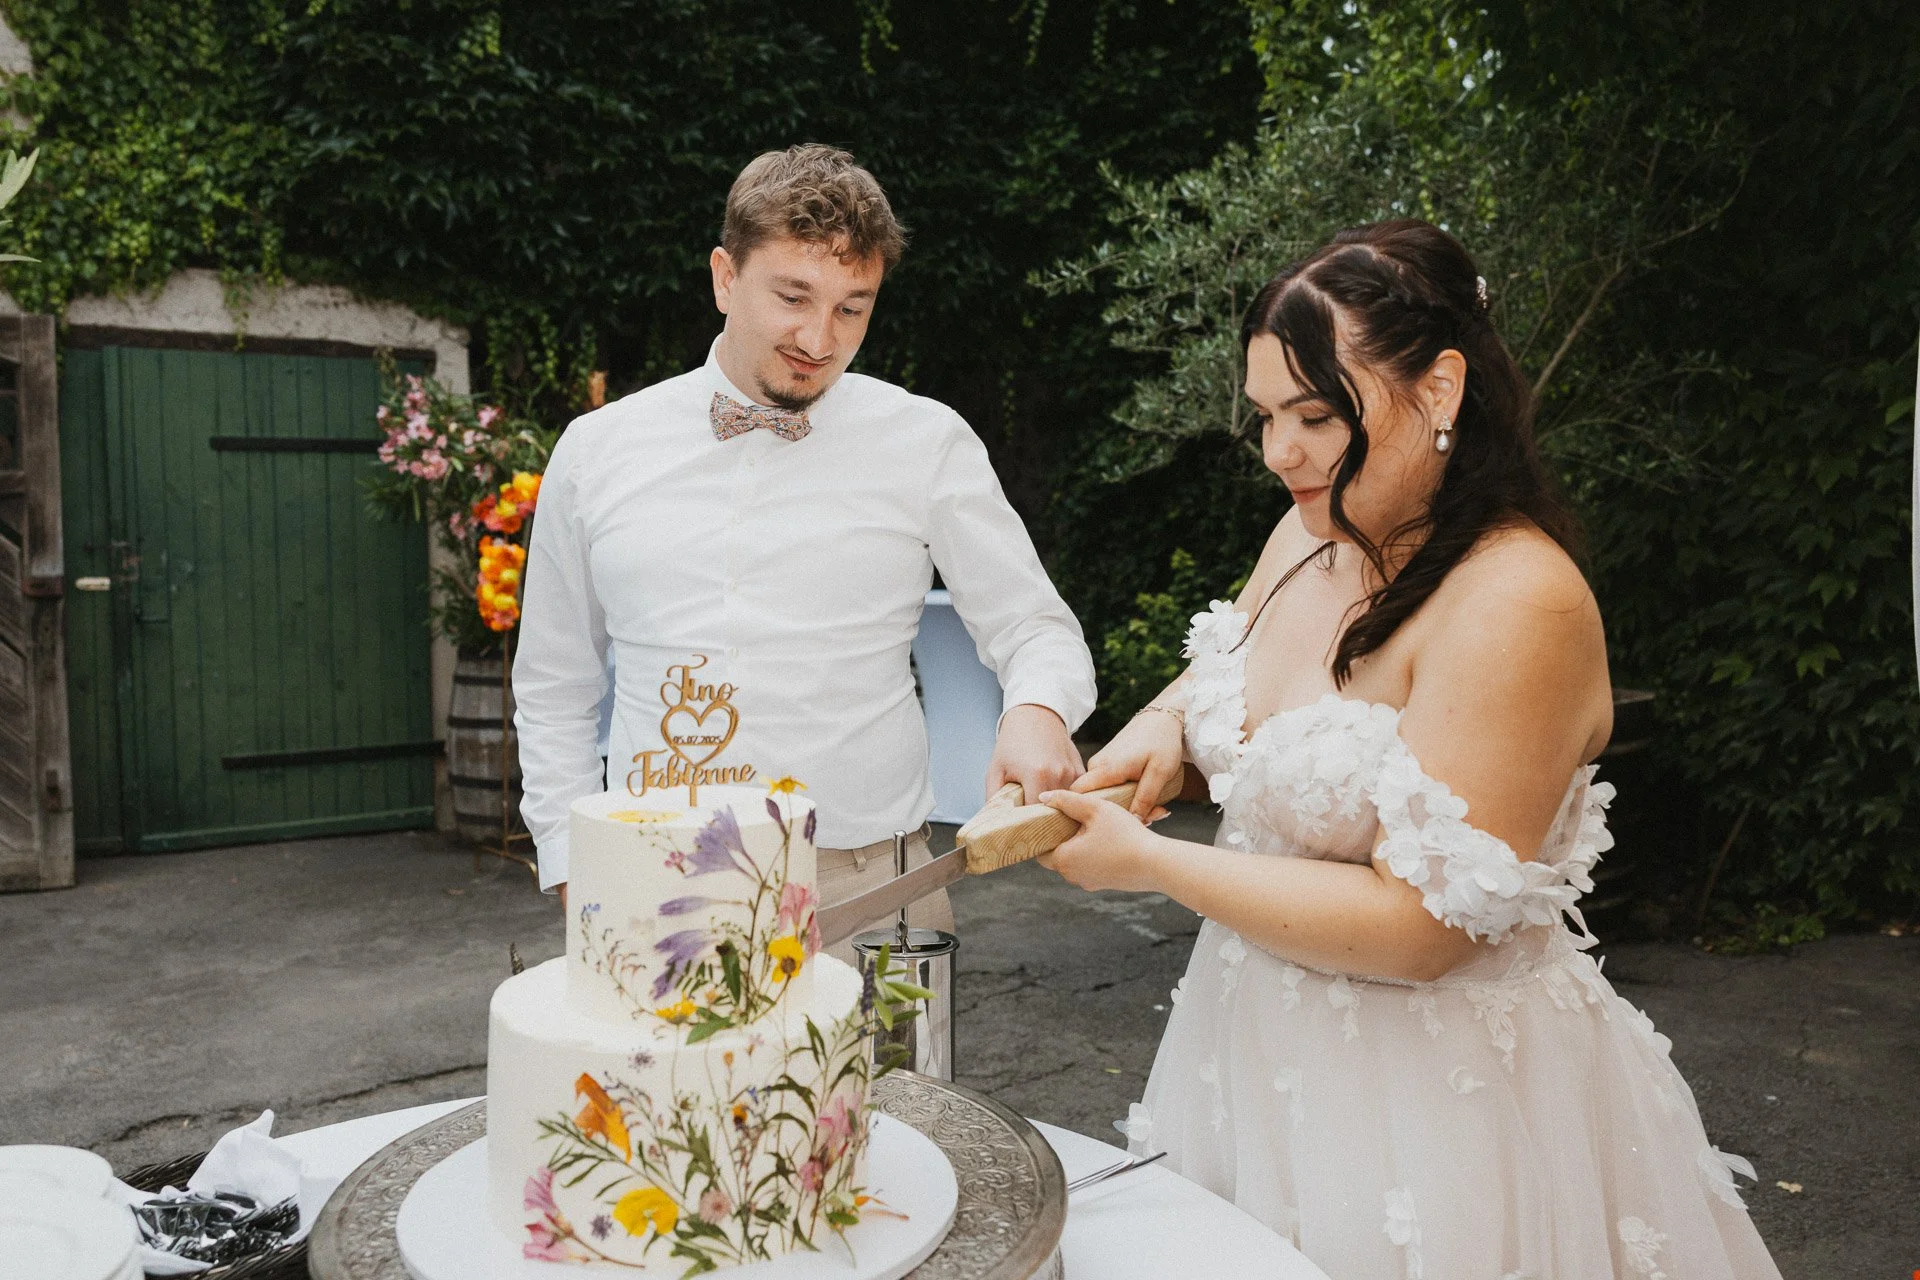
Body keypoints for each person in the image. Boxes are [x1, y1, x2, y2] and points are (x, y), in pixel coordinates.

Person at [1038, 221, 1782, 1278]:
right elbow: (1234, 671)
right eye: (1265, 416)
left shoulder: (1517, 602)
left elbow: (1425, 930)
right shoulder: (1309, 536)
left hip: (1437, 1117)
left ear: (1439, 389)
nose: (1279, 453)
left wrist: (1153, 862)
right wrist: (1161, 727)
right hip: (1249, 1060)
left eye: (1315, 415)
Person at [514, 145, 1095, 952]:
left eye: (852, 308)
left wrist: (1036, 711)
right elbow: (554, 684)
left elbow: (1036, 629)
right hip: (656, 878)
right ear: (725, 277)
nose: (820, 339)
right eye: (794, 297)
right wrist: (572, 865)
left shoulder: (926, 441)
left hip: (873, 886)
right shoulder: (595, 450)